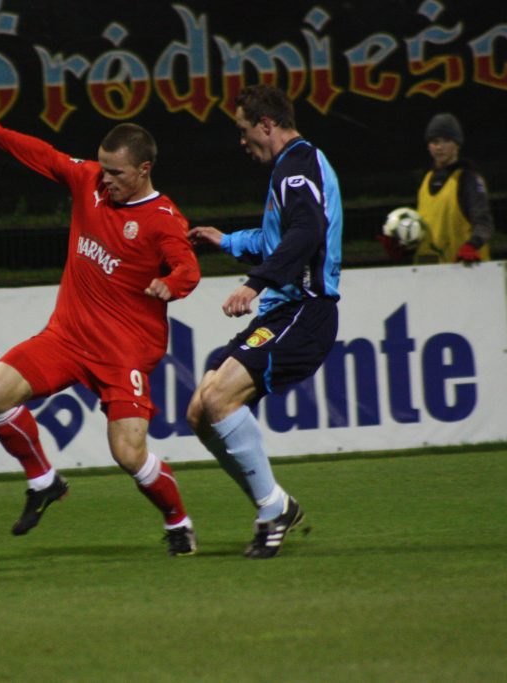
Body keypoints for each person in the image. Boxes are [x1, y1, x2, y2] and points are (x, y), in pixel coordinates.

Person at [0, 102, 201, 556]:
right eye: (103, 167)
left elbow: (188, 268)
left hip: (123, 352)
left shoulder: (162, 218)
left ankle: (179, 523)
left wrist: (171, 285)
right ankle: (43, 480)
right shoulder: (89, 181)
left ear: (144, 169)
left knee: (128, 454)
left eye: (116, 172)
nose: (105, 178)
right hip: (68, 337)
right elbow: (43, 155)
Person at [186, 84, 342, 559]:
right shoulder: (291, 168)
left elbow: (306, 233)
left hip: (305, 311)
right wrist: (227, 241)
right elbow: (280, 239)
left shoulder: (298, 167)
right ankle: (274, 503)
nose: (241, 140)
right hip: (284, 312)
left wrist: (254, 284)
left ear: (266, 125)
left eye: (243, 130)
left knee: (219, 397)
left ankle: (272, 510)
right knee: (200, 411)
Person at [380, 112, 494, 264]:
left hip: (463, 267)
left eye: (446, 141)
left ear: (457, 144)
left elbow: (484, 223)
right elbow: (427, 231)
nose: (440, 147)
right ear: (428, 146)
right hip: (428, 270)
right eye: (435, 141)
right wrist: (404, 248)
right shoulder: (426, 179)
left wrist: (472, 246)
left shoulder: (468, 179)